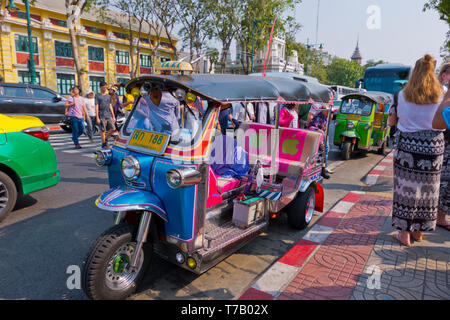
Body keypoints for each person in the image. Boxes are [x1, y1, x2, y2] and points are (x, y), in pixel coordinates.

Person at [388, 54, 445, 247]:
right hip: (434, 148)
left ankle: (404, 233)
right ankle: (419, 232)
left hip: (408, 148)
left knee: (406, 191)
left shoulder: (399, 95)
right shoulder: (442, 94)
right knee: (428, 192)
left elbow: (391, 121)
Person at [433, 62, 450, 231]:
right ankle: (439, 216)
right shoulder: (440, 93)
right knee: (444, 180)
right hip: (444, 140)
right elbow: (439, 120)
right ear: (444, 75)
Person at [307, 103, 333, 179]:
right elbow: (311, 127)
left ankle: (322, 171)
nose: (330, 113)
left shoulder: (325, 117)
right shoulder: (318, 117)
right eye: (328, 111)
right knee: (316, 155)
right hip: (316, 138)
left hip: (322, 138)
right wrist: (319, 130)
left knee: (324, 154)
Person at [95, 81, 116, 148]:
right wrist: (97, 117)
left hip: (108, 114)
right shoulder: (97, 96)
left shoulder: (108, 96)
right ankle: (104, 143)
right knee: (103, 130)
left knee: (113, 128)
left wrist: (113, 116)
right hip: (101, 115)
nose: (105, 88)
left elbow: (110, 106)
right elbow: (96, 106)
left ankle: (106, 139)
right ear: (100, 87)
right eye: (103, 87)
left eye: (106, 87)